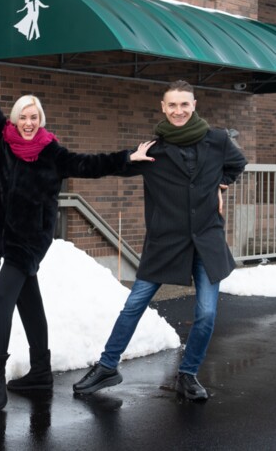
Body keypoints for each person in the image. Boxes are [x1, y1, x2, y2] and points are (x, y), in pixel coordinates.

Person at [0, 41, 155, 411]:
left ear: (41, 120)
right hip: (4, 232)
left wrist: (129, 158)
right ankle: (41, 373)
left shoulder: (52, 153)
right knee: (28, 301)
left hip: (30, 239)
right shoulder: (2, 138)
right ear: (15, 120)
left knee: (4, 297)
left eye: (35, 117)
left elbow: (90, 164)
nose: (29, 123)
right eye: (23, 117)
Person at [73, 80, 247, 401]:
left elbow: (237, 165)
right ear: (163, 108)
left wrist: (220, 187)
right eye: (172, 105)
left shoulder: (218, 141)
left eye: (184, 104)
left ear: (194, 105)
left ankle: (188, 374)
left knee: (207, 313)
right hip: (166, 242)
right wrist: (127, 159)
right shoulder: (153, 152)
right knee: (134, 304)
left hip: (206, 241)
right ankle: (107, 366)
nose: (178, 110)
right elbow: (102, 164)